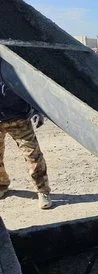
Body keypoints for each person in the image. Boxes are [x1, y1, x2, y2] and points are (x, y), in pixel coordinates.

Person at [0, 59, 52, 209]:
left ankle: (43, 191)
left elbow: (32, 86)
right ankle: (1, 185)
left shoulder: (12, 60)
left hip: (19, 118)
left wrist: (36, 110)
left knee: (33, 156)